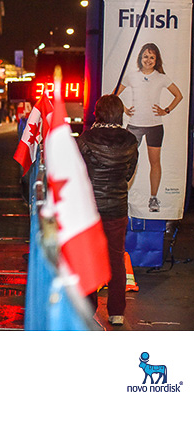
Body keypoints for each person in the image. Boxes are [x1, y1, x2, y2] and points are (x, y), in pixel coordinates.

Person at [77, 94, 138, 326]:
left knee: (89, 258)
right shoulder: (130, 140)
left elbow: (78, 172)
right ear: (119, 114)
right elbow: (128, 173)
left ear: (98, 113)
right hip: (117, 208)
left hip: (90, 209)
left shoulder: (85, 139)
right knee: (116, 259)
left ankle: (88, 308)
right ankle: (116, 312)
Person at [116, 43, 183, 213]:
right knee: (127, 161)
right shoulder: (131, 76)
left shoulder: (161, 77)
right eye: (145, 56)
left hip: (155, 126)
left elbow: (178, 95)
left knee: (155, 162)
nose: (148, 60)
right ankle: (123, 195)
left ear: (156, 60)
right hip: (135, 125)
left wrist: (166, 110)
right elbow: (114, 95)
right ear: (140, 58)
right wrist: (124, 109)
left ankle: (153, 198)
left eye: (152, 57)